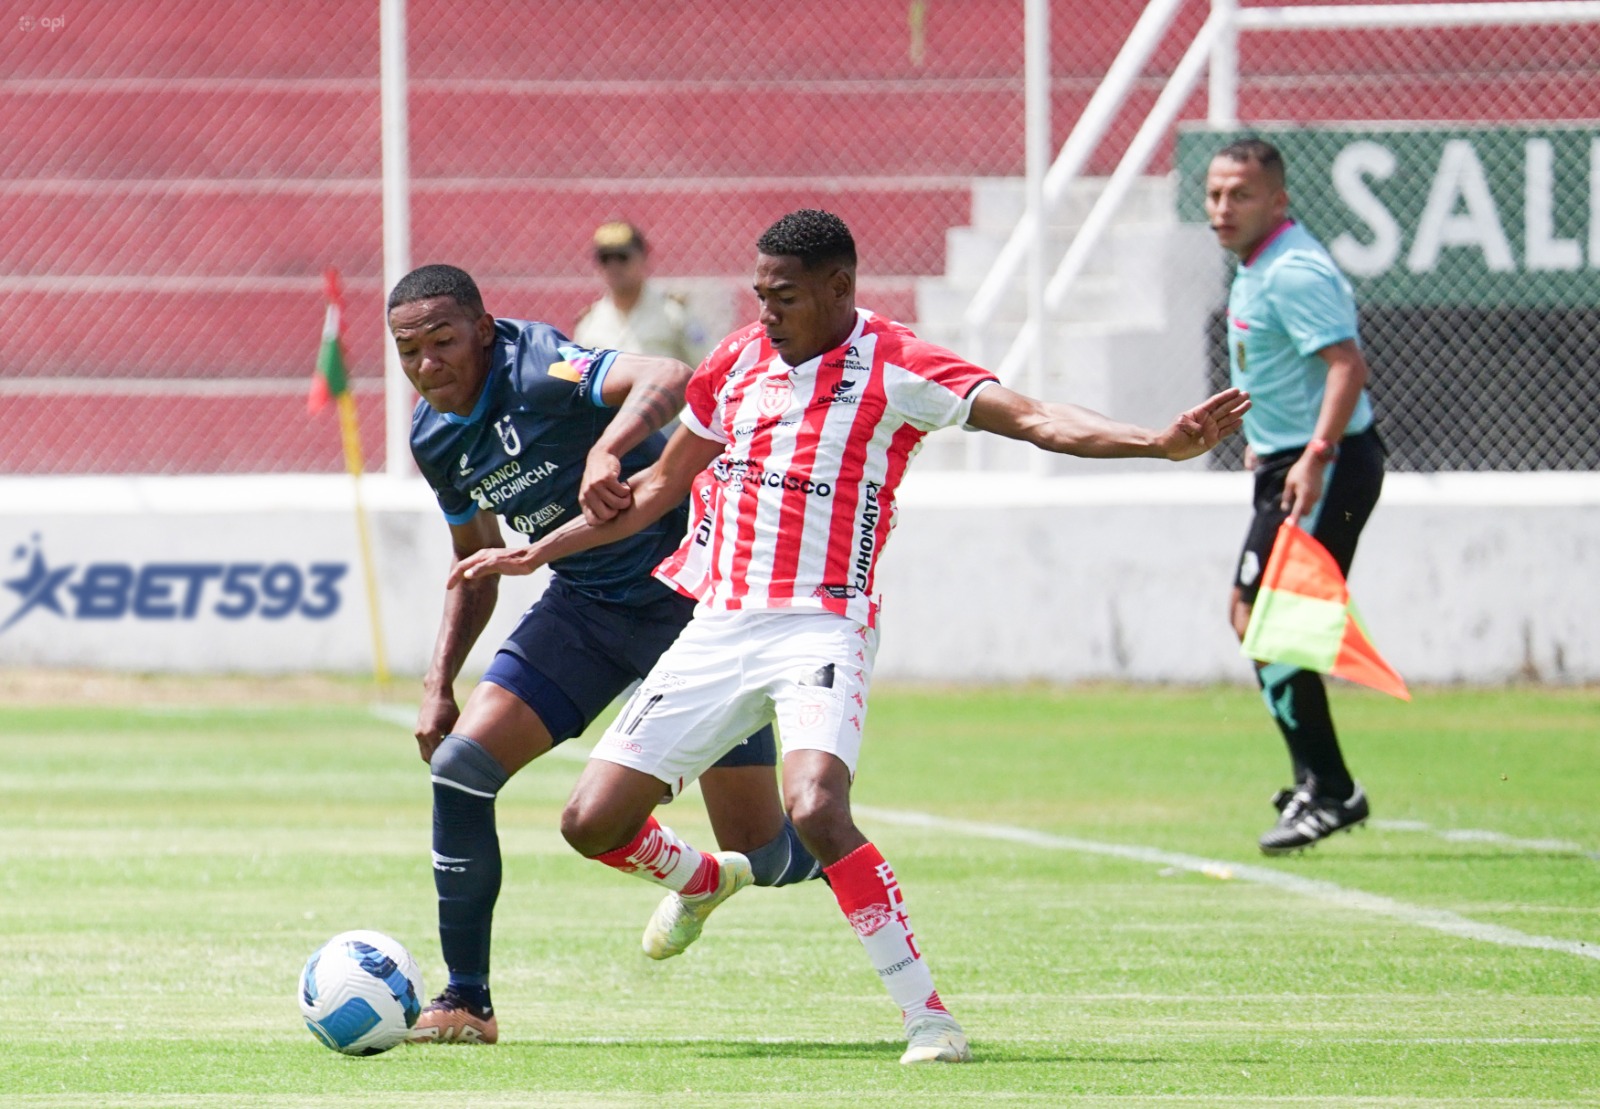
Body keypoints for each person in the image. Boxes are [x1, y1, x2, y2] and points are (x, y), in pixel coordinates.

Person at [447, 210, 1250, 1065]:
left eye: (785, 297)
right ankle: (707, 879)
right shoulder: (735, 364)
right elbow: (654, 487)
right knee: (589, 821)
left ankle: (929, 1017)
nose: (766, 313)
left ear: (841, 288)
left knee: (817, 808)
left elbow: (1037, 417)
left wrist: (1155, 442)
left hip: (823, 623)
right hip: (716, 623)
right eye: (759, 295)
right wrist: (541, 548)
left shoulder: (898, 363)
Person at [387, 263, 820, 1045]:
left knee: (767, 849)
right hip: (584, 607)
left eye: (442, 342)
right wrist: (437, 682)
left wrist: (607, 449)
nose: (426, 365)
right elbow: (474, 566)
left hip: (695, 602)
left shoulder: (539, 364)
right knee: (460, 769)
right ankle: (467, 1001)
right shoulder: (433, 434)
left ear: (483, 331)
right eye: (407, 350)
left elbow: (668, 374)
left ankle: (803, 862)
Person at [1203, 138, 1386, 855]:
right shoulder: (1258, 264)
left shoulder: (1294, 270)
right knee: (1258, 615)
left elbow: (1348, 366)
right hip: (1288, 461)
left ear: (1277, 201)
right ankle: (1320, 779)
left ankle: (1330, 786)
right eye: (1216, 194)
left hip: (1326, 467)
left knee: (1268, 617)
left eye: (1240, 195)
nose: (1223, 207)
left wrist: (1312, 454)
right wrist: (1273, 438)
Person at [572, 220, 710, 366]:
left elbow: (704, 365)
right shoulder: (589, 323)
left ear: (643, 259)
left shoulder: (674, 314)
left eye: (622, 257)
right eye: (605, 259)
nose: (614, 266)